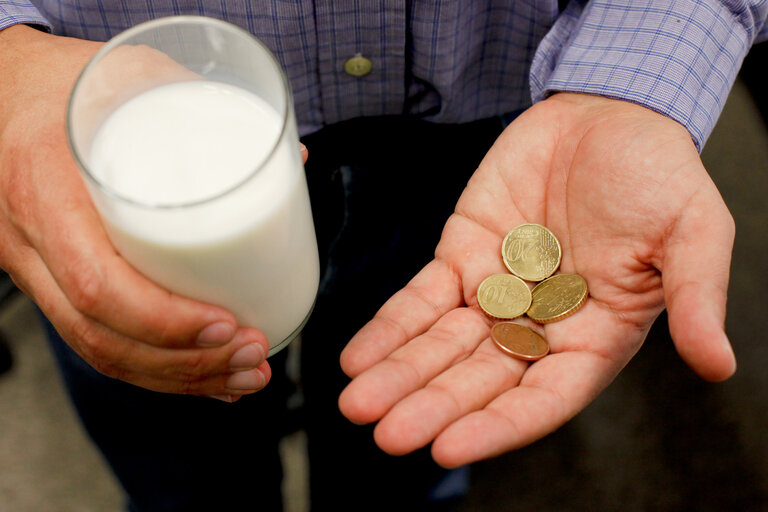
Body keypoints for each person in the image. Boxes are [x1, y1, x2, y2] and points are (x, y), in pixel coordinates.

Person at [0, 1, 766, 510]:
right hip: (103, 158)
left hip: (507, 135)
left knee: (406, 462)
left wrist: (638, 73)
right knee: (182, 463)